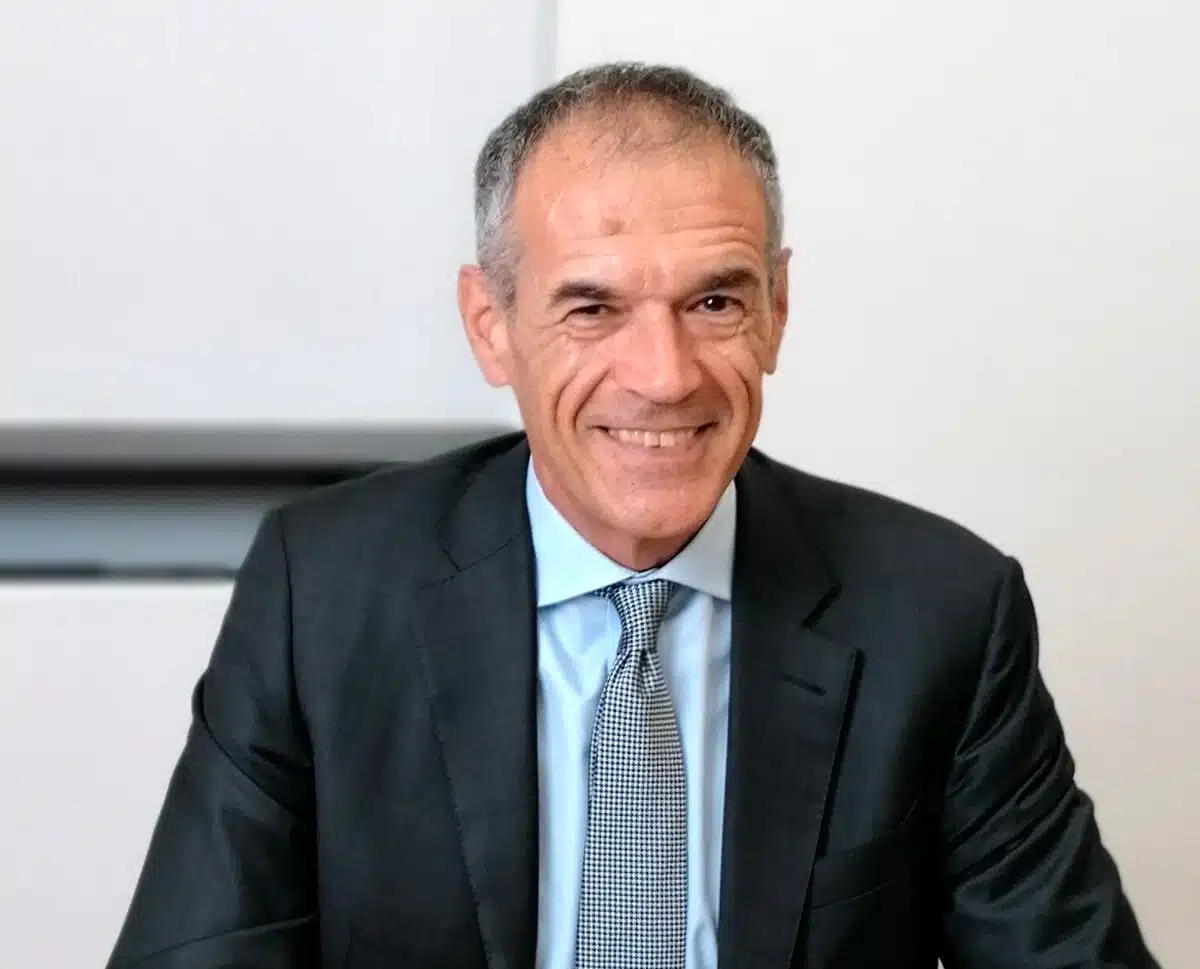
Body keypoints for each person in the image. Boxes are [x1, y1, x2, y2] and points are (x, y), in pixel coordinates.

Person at [106, 63, 1159, 969]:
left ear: (777, 310)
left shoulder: (942, 615)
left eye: (714, 302)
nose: (663, 376)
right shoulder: (323, 593)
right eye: (592, 307)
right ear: (490, 325)